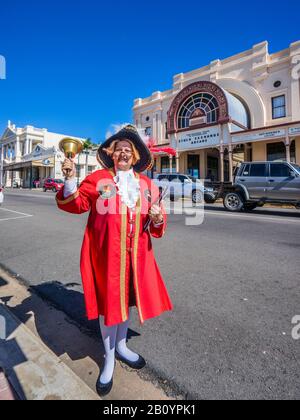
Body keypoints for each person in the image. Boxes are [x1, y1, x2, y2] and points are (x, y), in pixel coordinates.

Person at [56, 124, 173, 396]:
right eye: (119, 150)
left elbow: (157, 223)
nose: (123, 154)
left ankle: (121, 347)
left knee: (128, 301)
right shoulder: (99, 178)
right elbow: (77, 203)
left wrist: (156, 217)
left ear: (135, 157)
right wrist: (70, 179)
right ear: (112, 155)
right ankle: (108, 360)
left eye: (128, 151)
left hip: (137, 257)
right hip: (107, 256)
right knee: (110, 307)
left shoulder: (146, 185)